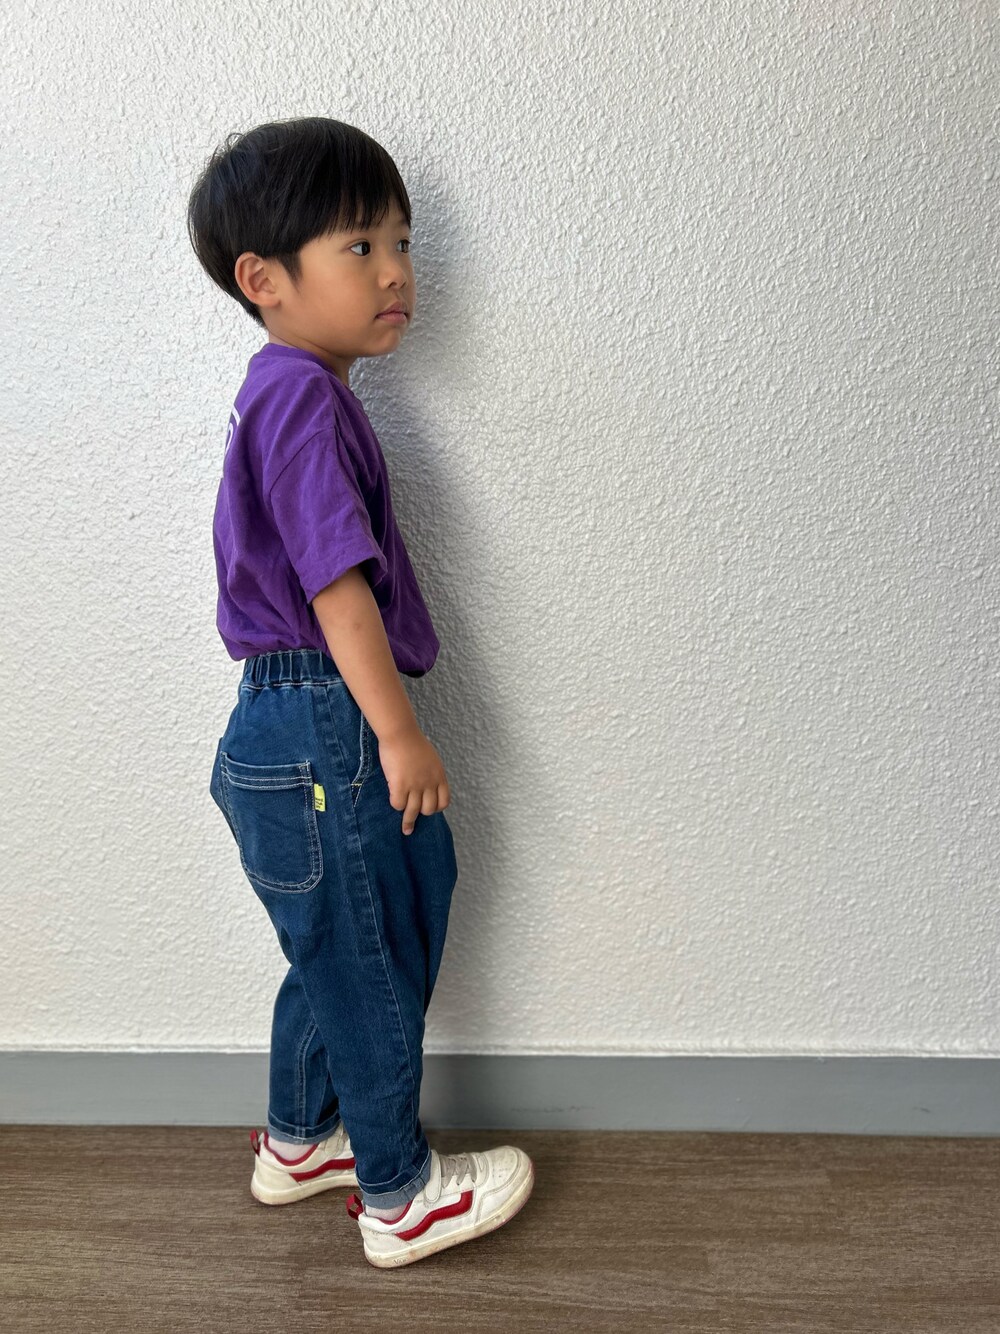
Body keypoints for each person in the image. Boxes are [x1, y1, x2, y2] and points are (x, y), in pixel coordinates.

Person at [186, 116, 534, 1268]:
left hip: (282, 720)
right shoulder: (299, 396)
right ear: (264, 280)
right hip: (324, 715)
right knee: (372, 950)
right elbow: (335, 582)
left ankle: (304, 1137)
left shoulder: (287, 390)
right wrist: (397, 730)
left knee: (337, 945)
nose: (394, 272)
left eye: (401, 242)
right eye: (358, 246)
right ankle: (398, 1191)